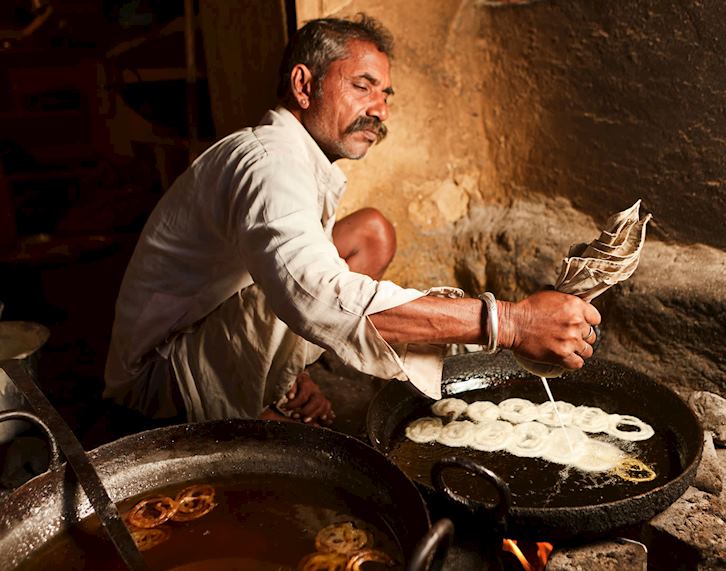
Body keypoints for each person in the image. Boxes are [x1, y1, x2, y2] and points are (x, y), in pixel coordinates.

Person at [104, 14, 600, 429]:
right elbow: (315, 295)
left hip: (202, 333)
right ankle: (251, 410)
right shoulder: (269, 161)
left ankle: (278, 385)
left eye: (385, 94)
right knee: (316, 289)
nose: (379, 109)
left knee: (370, 234)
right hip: (159, 382)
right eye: (362, 86)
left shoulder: (294, 156)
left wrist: (287, 371)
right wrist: (508, 322)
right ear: (304, 85)